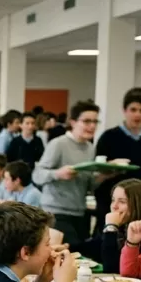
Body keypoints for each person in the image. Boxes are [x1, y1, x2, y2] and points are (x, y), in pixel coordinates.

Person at [32, 100, 103, 248]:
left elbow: (88, 184)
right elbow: (37, 175)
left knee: (82, 255)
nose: (92, 126)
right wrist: (58, 173)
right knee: (69, 253)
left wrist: (104, 175)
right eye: (87, 121)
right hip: (56, 211)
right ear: (73, 122)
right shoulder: (58, 144)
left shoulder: (90, 148)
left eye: (95, 121)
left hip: (80, 211)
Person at [94, 88, 141, 230]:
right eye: (133, 109)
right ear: (125, 110)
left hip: (140, 202)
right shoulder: (109, 137)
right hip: (112, 199)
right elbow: (98, 170)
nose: (137, 114)